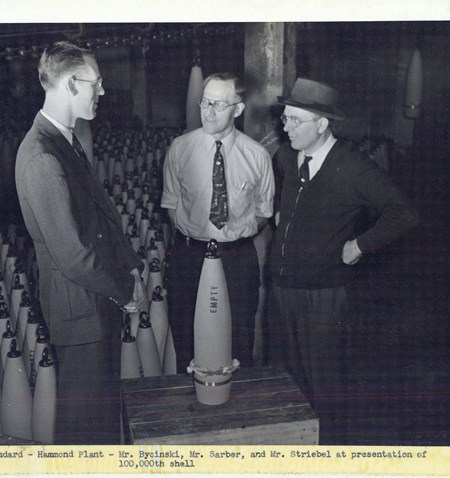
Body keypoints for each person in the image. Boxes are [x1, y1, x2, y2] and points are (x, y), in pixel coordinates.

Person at [15, 41, 145, 444]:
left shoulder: (65, 141)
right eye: (97, 83)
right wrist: (124, 289)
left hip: (94, 303)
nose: (102, 91)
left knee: (101, 423)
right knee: (85, 433)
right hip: (80, 312)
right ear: (72, 84)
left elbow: (101, 217)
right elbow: (72, 254)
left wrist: (132, 266)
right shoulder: (42, 155)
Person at [270, 78, 419, 424]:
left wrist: (360, 245)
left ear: (321, 124)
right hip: (283, 289)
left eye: (294, 119)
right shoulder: (287, 156)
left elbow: (404, 213)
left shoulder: (353, 168)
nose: (285, 126)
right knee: (290, 383)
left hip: (323, 297)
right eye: (285, 117)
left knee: (326, 389)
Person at [161, 72, 274, 372]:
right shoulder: (180, 149)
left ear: (238, 109)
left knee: (239, 341)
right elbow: (171, 204)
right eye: (205, 102)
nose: (208, 111)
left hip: (237, 260)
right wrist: (196, 236)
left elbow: (264, 211)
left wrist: (234, 234)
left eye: (219, 105)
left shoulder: (257, 156)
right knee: (186, 341)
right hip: (189, 258)